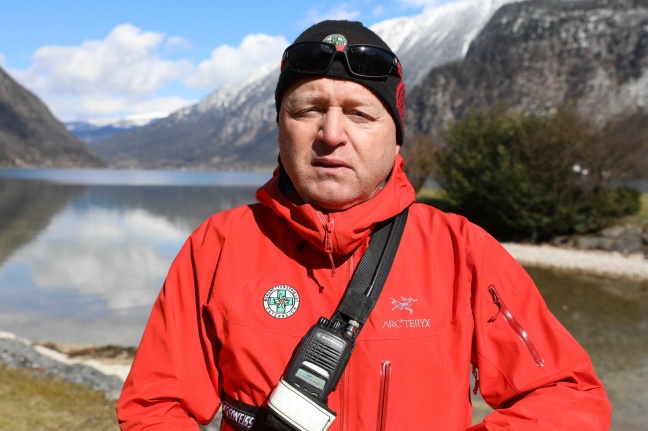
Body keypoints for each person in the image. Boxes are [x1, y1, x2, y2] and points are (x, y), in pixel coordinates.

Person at [117, 20, 611, 430]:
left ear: (395, 137)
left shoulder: (462, 251)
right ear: (279, 127)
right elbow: (155, 406)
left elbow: (568, 398)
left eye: (360, 114)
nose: (332, 134)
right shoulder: (216, 246)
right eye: (308, 109)